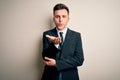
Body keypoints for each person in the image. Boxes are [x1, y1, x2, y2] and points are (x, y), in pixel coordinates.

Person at [41, 3, 84, 80]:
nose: (60, 20)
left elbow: (79, 59)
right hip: (50, 77)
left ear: (68, 19)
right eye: (57, 17)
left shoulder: (76, 36)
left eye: (63, 16)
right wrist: (54, 45)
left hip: (70, 76)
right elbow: (45, 57)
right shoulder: (47, 34)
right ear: (54, 18)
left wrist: (57, 63)